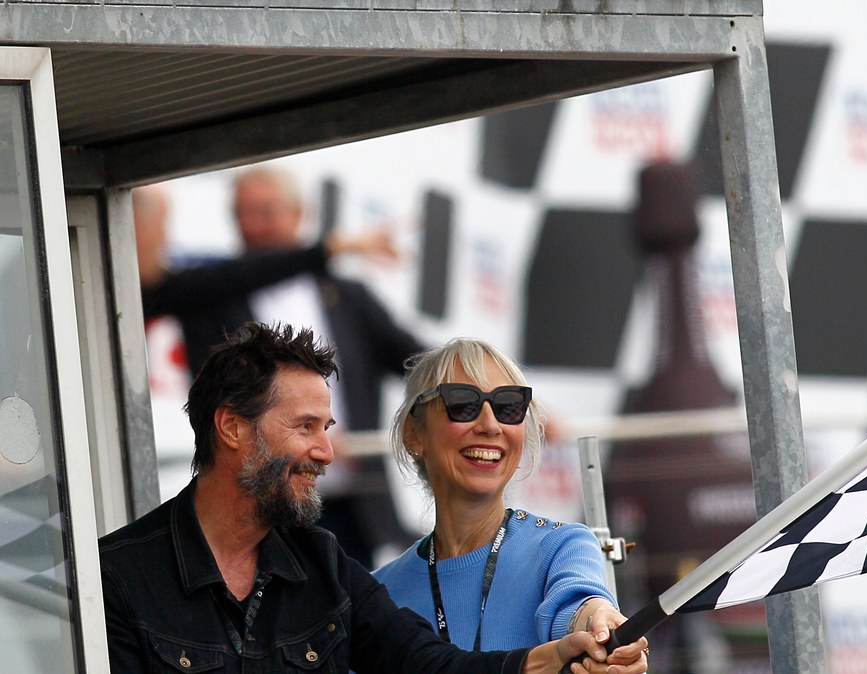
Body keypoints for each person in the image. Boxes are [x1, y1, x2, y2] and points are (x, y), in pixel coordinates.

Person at [98, 322, 647, 673]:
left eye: (509, 406)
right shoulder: (121, 575)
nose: (327, 451)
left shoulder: (328, 571)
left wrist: (590, 631)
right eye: (306, 426)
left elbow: (576, 599)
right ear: (232, 428)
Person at [138, 165, 423, 568]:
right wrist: (327, 250)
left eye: (266, 212)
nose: (253, 226)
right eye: (242, 214)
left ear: (298, 213)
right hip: (260, 500)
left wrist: (489, 394)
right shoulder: (213, 293)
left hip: (350, 505)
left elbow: (416, 362)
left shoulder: (346, 295)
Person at [373, 338, 646, 664]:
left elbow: (577, 602)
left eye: (508, 406)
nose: (490, 425)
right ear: (413, 434)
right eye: (462, 403)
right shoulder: (378, 592)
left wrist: (599, 621)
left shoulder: (562, 546)